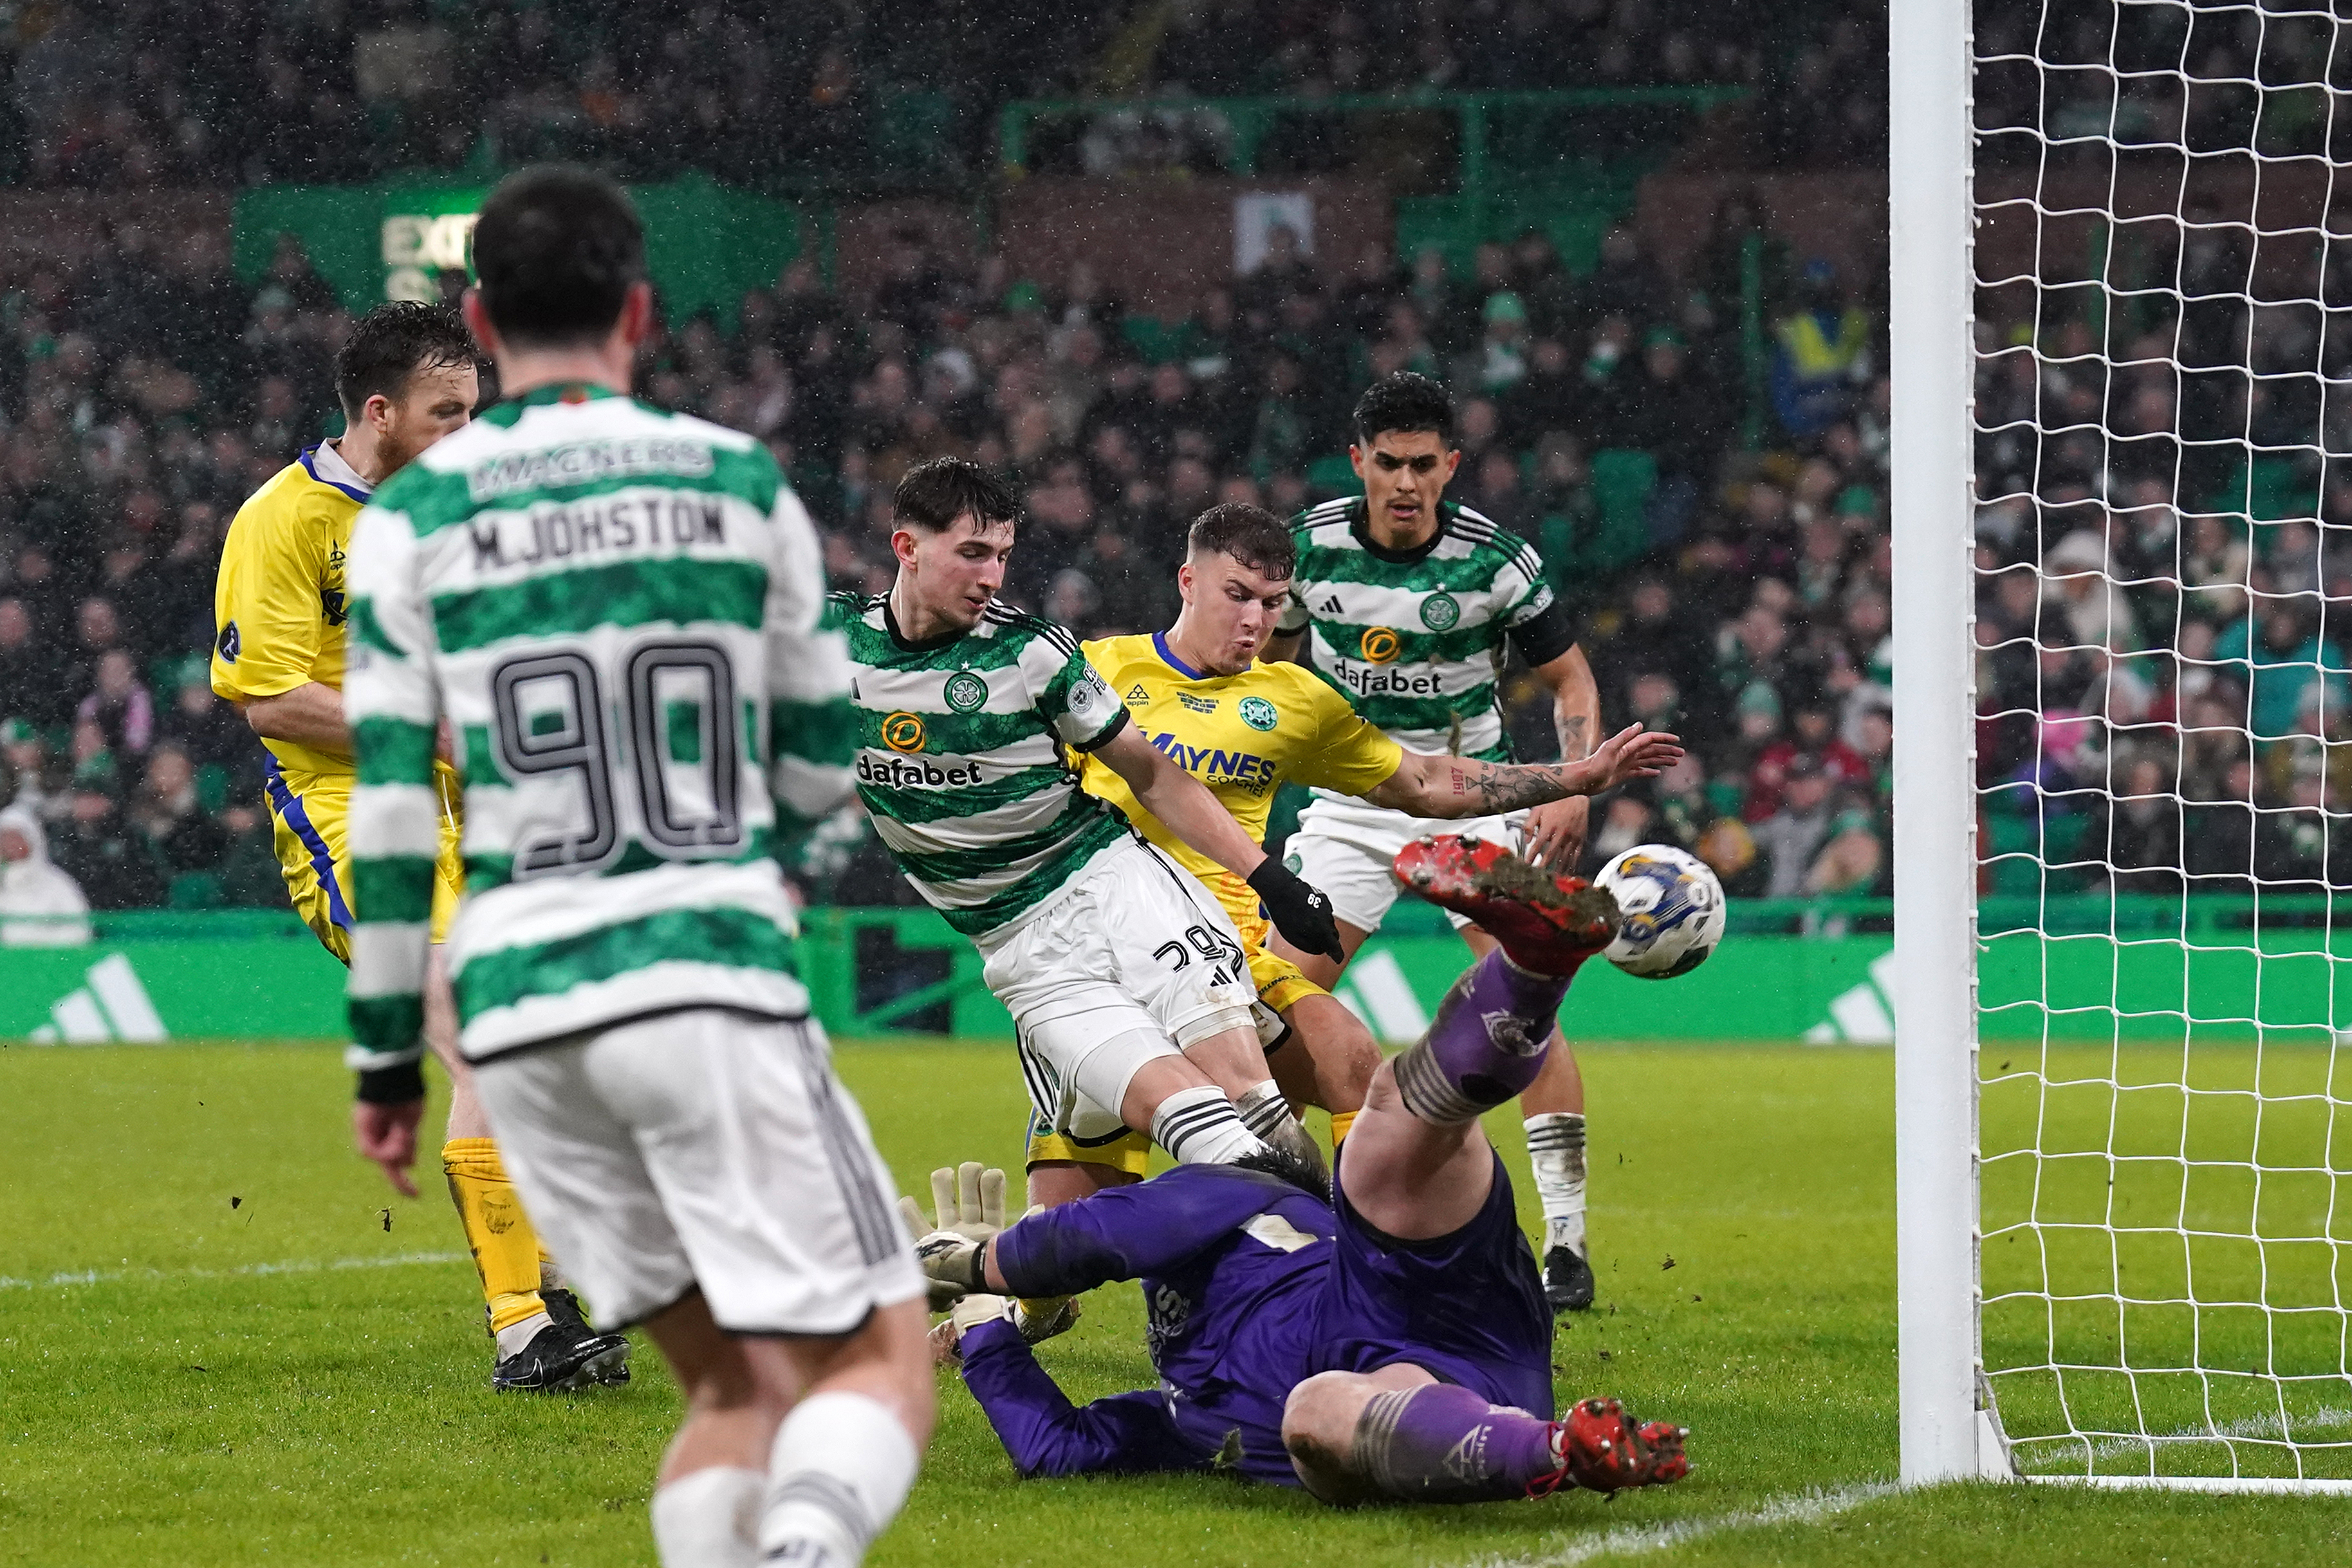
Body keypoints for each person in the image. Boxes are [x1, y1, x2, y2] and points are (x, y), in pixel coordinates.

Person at [342, 165, 932, 1568]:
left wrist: (381, 1060)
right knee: (881, 1363)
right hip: (700, 967)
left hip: (522, 1011)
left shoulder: (405, 524)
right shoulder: (734, 482)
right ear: (642, 312)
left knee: (729, 1388)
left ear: (480, 319)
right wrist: (774, 855)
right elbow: (814, 750)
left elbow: (382, 810)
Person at [909, 835, 1690, 1504]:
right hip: (1463, 1391)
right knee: (1316, 1416)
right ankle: (1561, 1450)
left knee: (1385, 1121)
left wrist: (976, 1263)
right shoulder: (1184, 1417)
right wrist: (983, 1323)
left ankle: (1531, 968)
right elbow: (1059, 1449)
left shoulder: (1231, 1184)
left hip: (1401, 1279)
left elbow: (1112, 1232)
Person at [212, 299, 625, 1390]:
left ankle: (550, 1280)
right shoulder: (286, 519)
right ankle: (524, 1324)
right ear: (380, 411)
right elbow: (269, 699)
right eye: (448, 414)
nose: (467, 434)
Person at [1058, 500, 1680, 1208]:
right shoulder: (1096, 670)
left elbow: (1421, 780)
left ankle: (1360, 1270)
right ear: (1187, 583)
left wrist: (1574, 776)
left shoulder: (1295, 699)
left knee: (1350, 1059)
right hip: (1099, 958)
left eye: (1270, 604)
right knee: (1067, 1251)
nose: (1255, 622)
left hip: (1224, 958)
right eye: (1237, 596)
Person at [835, 458, 1348, 1230]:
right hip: (1021, 949)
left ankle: (1358, 1272)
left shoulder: (1032, 653)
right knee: (1202, 1128)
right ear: (906, 546)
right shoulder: (828, 645)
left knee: (1257, 1105)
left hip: (1114, 883)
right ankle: (1296, 1269)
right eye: (973, 552)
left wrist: (1269, 876)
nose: (991, 575)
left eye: (1003, 554)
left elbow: (1152, 774)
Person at [1265, 371, 1607, 1313]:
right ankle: (1279, 1197)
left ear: (1450, 465)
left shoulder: (1497, 562)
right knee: (1276, 1002)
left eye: (1424, 464)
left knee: (1521, 1001)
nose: (1406, 482)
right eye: (1389, 463)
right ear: (1358, 462)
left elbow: (1571, 683)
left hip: (1478, 801)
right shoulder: (1306, 551)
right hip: (1349, 805)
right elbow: (1260, 667)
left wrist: (1569, 787)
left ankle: (1566, 1241)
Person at [0, 804, 90, 946]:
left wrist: (40, 953)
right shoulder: (3, 885)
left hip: (51, 964)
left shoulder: (57, 883)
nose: (10, 845)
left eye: (16, 837)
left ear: (32, 839)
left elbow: (79, 929)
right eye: (5, 839)